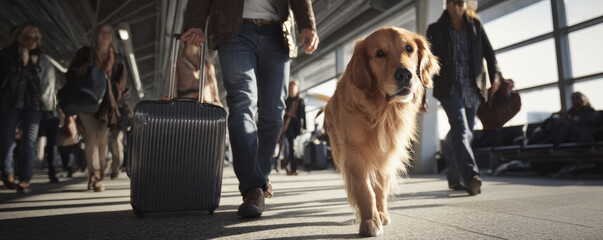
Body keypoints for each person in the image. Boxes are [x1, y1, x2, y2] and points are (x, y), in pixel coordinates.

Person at [182, 0, 319, 217]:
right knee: (242, 103)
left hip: (277, 31)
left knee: (274, 112)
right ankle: (252, 188)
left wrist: (307, 25)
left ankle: (260, 178)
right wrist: (195, 23)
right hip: (233, 30)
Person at [427, 0, 502, 195]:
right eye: (451, 3)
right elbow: (425, 61)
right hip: (448, 88)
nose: (455, 7)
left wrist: (494, 76)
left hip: (472, 88)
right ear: (446, 5)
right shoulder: (435, 29)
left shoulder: (475, 26)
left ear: (465, 4)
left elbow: (489, 53)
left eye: (459, 3)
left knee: (465, 134)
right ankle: (471, 177)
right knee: (461, 129)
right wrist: (420, 92)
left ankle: (453, 177)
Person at [66, 24, 127, 192]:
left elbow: (122, 82)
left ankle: (99, 172)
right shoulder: (85, 53)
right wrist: (81, 71)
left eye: (108, 32)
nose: (106, 35)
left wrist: (114, 91)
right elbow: (69, 74)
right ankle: (94, 173)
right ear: (96, 36)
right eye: (102, 32)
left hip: (107, 105)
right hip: (87, 102)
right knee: (92, 136)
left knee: (102, 139)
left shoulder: (118, 59)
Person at [0, 23, 50, 193]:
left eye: (36, 39)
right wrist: (22, 63)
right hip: (9, 103)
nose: (32, 42)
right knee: (7, 141)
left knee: (29, 143)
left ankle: (25, 179)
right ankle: (7, 172)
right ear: (20, 39)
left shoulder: (41, 58)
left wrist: (31, 64)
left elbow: (43, 84)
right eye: (29, 38)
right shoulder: (7, 55)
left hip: (33, 105)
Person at [529, 92, 600, 144]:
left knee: (563, 125)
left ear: (584, 100)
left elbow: (584, 121)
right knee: (550, 122)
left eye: (577, 97)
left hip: (578, 134)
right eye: (572, 98)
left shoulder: (590, 112)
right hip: (566, 133)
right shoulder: (569, 112)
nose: (574, 100)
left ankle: (550, 142)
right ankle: (534, 143)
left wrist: (568, 119)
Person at [282, 79, 306, 176]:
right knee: (291, 146)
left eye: (294, 87)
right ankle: (293, 168)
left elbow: (303, 115)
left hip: (296, 126)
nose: (292, 89)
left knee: (291, 147)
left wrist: (304, 127)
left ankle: (287, 164)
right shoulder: (286, 100)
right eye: (291, 87)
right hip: (287, 126)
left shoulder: (300, 100)